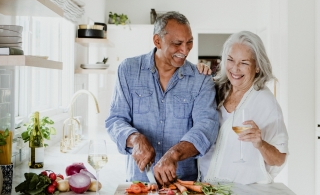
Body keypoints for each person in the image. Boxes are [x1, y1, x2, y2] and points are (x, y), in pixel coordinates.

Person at [105, 11, 219, 185]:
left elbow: (206, 127)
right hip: (138, 183)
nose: (185, 50)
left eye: (189, 43)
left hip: (183, 184)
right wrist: (135, 139)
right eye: (177, 43)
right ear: (157, 41)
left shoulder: (201, 79)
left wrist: (174, 154)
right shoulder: (128, 70)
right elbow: (115, 119)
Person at [198, 31, 288, 184]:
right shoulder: (215, 88)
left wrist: (260, 144)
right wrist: (196, 74)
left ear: (257, 67)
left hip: (242, 194)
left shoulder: (265, 102)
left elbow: (279, 159)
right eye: (231, 60)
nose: (235, 68)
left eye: (244, 63)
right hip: (205, 186)